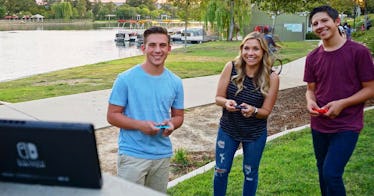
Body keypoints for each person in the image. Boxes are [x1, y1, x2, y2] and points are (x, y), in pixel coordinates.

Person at [304, 5, 374, 196]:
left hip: (347, 125)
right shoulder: (312, 57)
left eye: (324, 20)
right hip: (319, 124)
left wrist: (342, 103)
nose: (320, 26)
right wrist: (310, 101)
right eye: (315, 23)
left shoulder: (358, 52)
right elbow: (311, 90)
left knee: (331, 173)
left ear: (336, 22)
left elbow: (371, 88)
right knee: (322, 173)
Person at [106, 26, 184, 193]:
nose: (158, 50)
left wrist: (171, 124)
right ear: (143, 48)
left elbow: (178, 117)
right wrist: (140, 125)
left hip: (162, 155)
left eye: (162, 45)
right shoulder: (125, 79)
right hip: (132, 155)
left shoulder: (176, 82)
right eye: (152, 45)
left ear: (169, 49)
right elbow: (112, 116)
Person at [213, 31, 280, 196]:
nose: (250, 53)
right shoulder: (231, 67)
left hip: (255, 134)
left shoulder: (272, 77)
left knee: (250, 174)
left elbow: (266, 112)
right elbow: (218, 98)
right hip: (228, 129)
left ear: (263, 52)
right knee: (221, 170)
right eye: (247, 48)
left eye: (256, 49)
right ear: (241, 50)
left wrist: (254, 110)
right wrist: (226, 102)